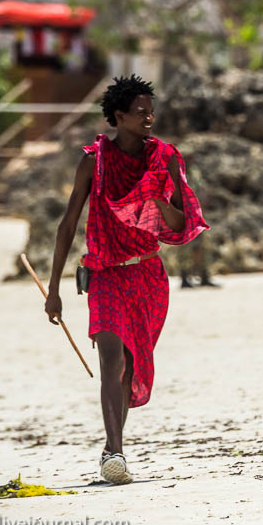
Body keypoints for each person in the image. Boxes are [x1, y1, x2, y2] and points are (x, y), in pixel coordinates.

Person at [44, 75, 208, 484]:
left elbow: (181, 221)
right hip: (103, 273)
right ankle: (113, 453)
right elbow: (68, 225)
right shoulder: (94, 161)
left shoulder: (164, 158)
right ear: (118, 116)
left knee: (132, 365)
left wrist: (153, 201)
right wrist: (53, 290)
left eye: (152, 111)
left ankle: (113, 445)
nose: (149, 118)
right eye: (140, 112)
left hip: (148, 272)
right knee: (111, 359)